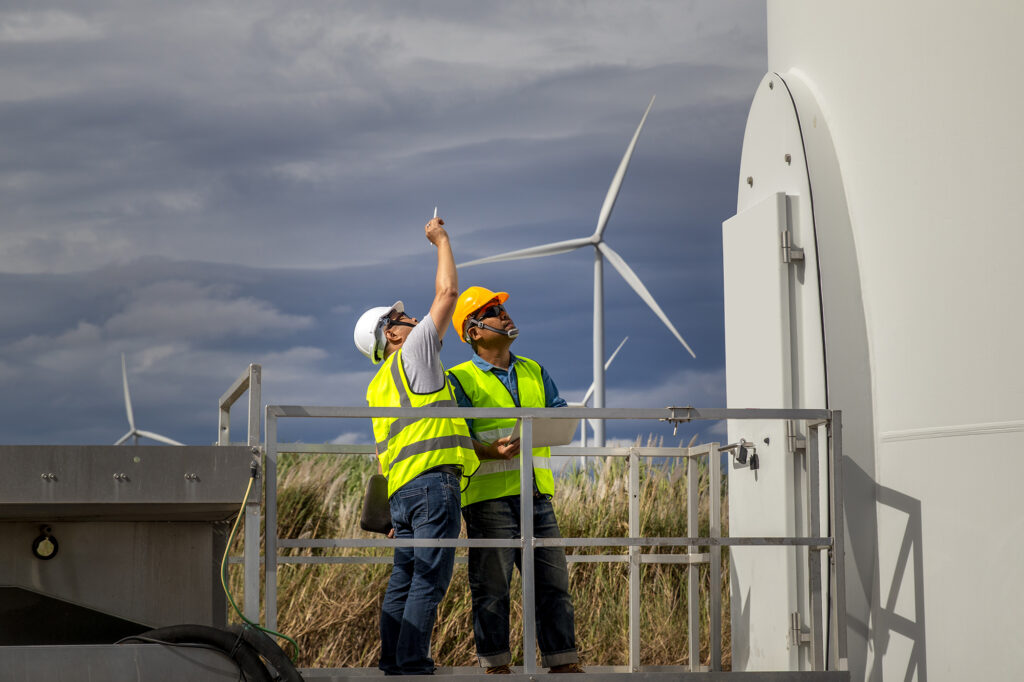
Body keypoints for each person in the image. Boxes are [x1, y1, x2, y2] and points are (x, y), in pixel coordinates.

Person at [352, 216, 478, 676]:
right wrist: (441, 240)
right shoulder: (414, 354)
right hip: (432, 489)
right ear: (392, 333)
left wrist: (389, 513)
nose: (410, 319)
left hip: (403, 496)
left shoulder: (377, 386)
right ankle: (412, 661)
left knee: (404, 578)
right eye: (401, 317)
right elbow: (448, 295)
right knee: (430, 576)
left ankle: (393, 661)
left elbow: (385, 451)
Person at [446, 286, 582, 674]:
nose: (504, 314)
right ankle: (496, 666)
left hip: (537, 494)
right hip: (488, 497)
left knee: (553, 583)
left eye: (502, 308)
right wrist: (491, 451)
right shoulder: (459, 378)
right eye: (492, 311)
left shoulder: (534, 370)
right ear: (474, 331)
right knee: (492, 588)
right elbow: (457, 436)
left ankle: (563, 662)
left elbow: (559, 416)